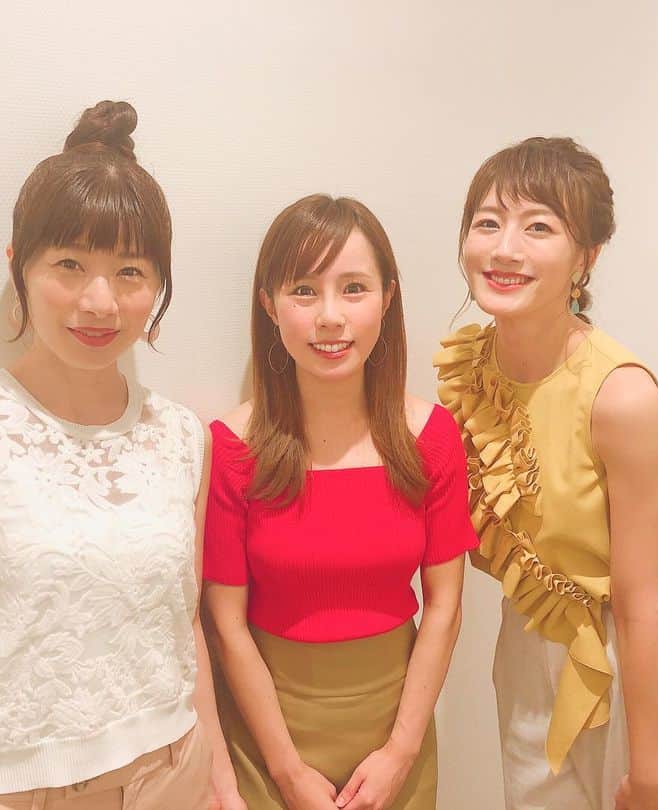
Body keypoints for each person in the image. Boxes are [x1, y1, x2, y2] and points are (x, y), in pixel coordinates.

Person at [0, 100, 243, 810]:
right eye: (70, 265)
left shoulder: (182, 436)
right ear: (18, 267)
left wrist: (221, 781)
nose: (100, 301)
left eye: (130, 272)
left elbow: (183, 622)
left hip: (177, 773)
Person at [434, 137, 658, 809]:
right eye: (488, 222)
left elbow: (640, 602)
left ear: (587, 257)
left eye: (538, 227)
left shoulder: (621, 395)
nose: (504, 248)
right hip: (528, 649)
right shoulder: (467, 373)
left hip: (638, 660)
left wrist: (652, 774)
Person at [202, 194, 477, 810]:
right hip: (267, 739)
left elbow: (446, 606)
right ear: (269, 304)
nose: (330, 317)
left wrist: (400, 753)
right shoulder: (230, 449)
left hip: (395, 735)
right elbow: (225, 623)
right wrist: (286, 772)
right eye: (304, 290)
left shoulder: (432, 438)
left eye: (354, 288)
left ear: (388, 297)